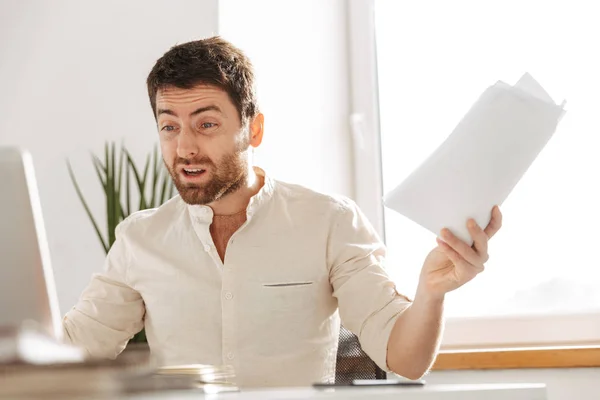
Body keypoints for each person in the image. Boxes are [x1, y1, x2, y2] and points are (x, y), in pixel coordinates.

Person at [62, 36, 503, 387]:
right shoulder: (140, 239)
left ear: (253, 129)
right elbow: (75, 348)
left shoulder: (329, 222)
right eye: (169, 127)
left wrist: (431, 291)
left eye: (206, 124)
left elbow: (404, 359)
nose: (185, 147)